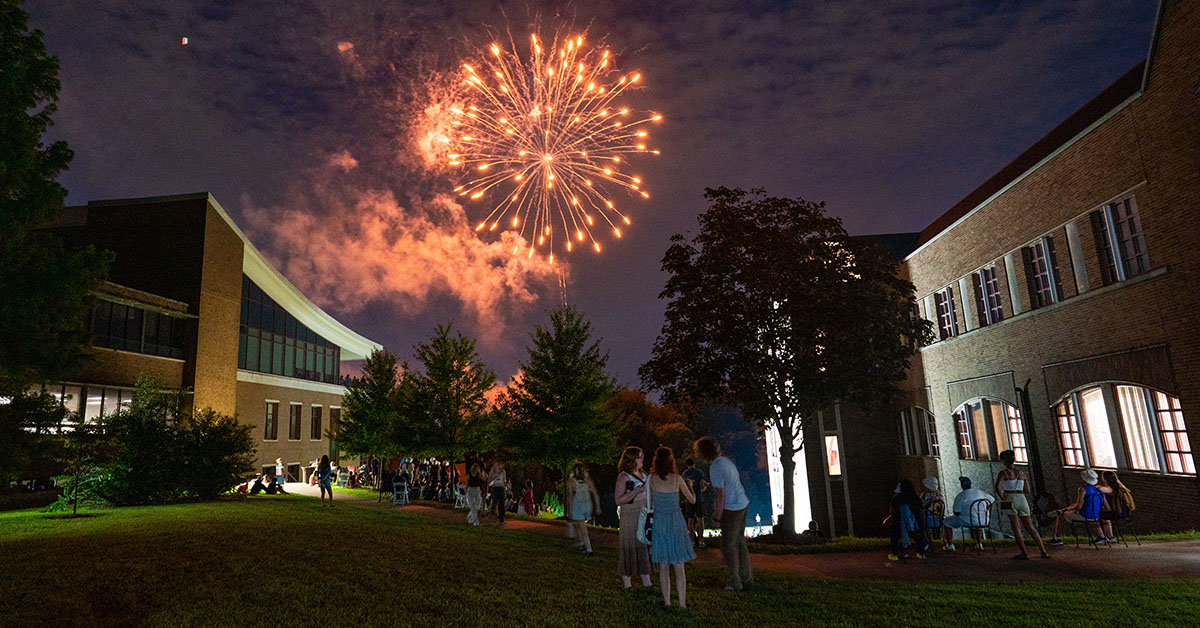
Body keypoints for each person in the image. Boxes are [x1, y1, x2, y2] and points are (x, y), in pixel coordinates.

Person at [695, 436, 752, 591]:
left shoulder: (715, 467)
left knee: (728, 545)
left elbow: (721, 495)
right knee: (740, 542)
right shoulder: (726, 462)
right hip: (742, 503)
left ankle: (735, 580)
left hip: (732, 508)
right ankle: (746, 577)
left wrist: (716, 518)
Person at [648, 446, 696, 608]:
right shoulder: (677, 479)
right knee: (678, 564)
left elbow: (650, 504)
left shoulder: (652, 479)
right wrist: (690, 486)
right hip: (676, 522)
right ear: (671, 461)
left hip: (660, 522)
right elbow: (692, 500)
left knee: (663, 564)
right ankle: (682, 603)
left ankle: (667, 602)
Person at [994, 450, 1050, 559]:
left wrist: (1002, 496)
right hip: (1022, 498)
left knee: (1016, 527)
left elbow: (997, 487)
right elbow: (1027, 490)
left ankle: (1024, 552)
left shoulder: (1003, 473)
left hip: (1010, 498)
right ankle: (1043, 551)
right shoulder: (1021, 473)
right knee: (1030, 526)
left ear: (1004, 461)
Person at [614, 446, 652, 591]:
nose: (642, 459)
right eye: (640, 457)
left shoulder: (644, 474)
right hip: (630, 515)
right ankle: (627, 583)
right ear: (632, 459)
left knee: (643, 547)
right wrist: (636, 492)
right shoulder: (624, 477)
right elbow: (618, 500)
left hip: (643, 514)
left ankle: (646, 581)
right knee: (629, 547)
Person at [1048, 469, 1110, 545]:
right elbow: (1107, 507)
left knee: (1061, 516)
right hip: (1096, 516)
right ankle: (1101, 536)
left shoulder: (1082, 489)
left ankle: (1057, 538)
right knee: (1092, 519)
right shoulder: (1099, 490)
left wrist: (1067, 510)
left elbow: (1079, 506)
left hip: (1084, 516)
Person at [940, 477, 994, 550]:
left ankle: (950, 545)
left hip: (967, 520)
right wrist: (985, 510)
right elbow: (992, 500)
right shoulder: (980, 492)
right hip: (984, 520)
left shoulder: (961, 496)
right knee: (977, 524)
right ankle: (979, 544)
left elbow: (956, 512)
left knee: (946, 521)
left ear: (962, 486)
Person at [886, 479, 928, 561]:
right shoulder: (916, 498)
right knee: (918, 530)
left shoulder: (897, 499)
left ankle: (895, 553)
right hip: (915, 525)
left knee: (893, 531)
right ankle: (921, 553)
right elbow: (921, 511)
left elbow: (892, 511)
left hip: (900, 526)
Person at [567, 462, 600, 556]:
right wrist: (597, 506)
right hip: (586, 505)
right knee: (579, 524)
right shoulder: (588, 481)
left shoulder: (572, 481)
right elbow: (595, 494)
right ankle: (582, 542)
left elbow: (570, 496)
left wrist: (570, 509)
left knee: (582, 527)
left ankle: (589, 548)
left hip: (579, 505)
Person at [1099, 470, 1135, 543]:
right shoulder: (1121, 488)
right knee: (1105, 515)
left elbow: (1100, 489)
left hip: (1117, 513)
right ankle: (1110, 536)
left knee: (1100, 516)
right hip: (1126, 513)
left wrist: (1097, 486)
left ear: (1105, 479)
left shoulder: (1110, 489)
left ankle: (1106, 536)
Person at [681, 458, 707, 548]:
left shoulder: (684, 474)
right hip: (698, 498)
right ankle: (701, 540)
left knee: (690, 519)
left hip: (689, 498)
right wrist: (704, 488)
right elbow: (701, 485)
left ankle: (691, 540)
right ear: (694, 463)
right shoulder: (699, 473)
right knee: (700, 519)